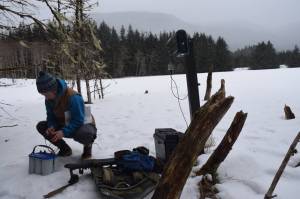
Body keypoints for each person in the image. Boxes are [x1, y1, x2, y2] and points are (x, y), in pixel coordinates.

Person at [35, 71, 97, 159]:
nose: (46, 97)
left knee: (85, 133)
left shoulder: (73, 97)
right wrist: (51, 126)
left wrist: (63, 132)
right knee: (42, 127)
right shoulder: (49, 99)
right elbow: (51, 116)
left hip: (84, 123)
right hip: (65, 122)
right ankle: (65, 149)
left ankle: (87, 149)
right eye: (43, 95)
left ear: (54, 90)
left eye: (46, 94)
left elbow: (78, 120)